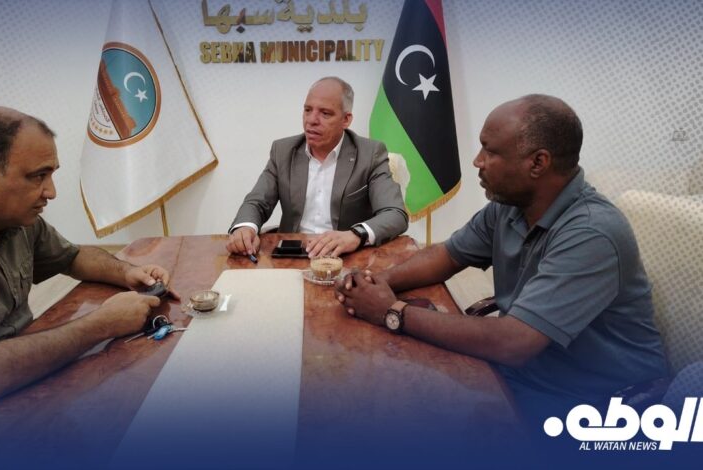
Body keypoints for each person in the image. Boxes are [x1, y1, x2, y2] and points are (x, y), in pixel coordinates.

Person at [335, 94, 668, 421]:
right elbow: (447, 255)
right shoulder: (511, 206)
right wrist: (376, 283)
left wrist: (391, 311)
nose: (477, 161)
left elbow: (514, 342)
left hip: (593, 402)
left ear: (538, 163)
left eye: (490, 151)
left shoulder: (592, 233)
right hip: (526, 374)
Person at [0, 107, 178, 410]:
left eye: (51, 174)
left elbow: (72, 257)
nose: (51, 192)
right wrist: (103, 324)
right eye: (38, 176)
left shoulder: (11, 215)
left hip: (20, 381)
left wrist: (127, 272)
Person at [227, 76, 408, 258]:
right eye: (308, 110)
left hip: (346, 257)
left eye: (325, 113)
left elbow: (394, 213)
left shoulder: (369, 154)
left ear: (346, 120)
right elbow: (257, 202)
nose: (312, 120)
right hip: (292, 256)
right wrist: (245, 227)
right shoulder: (283, 151)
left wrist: (355, 235)